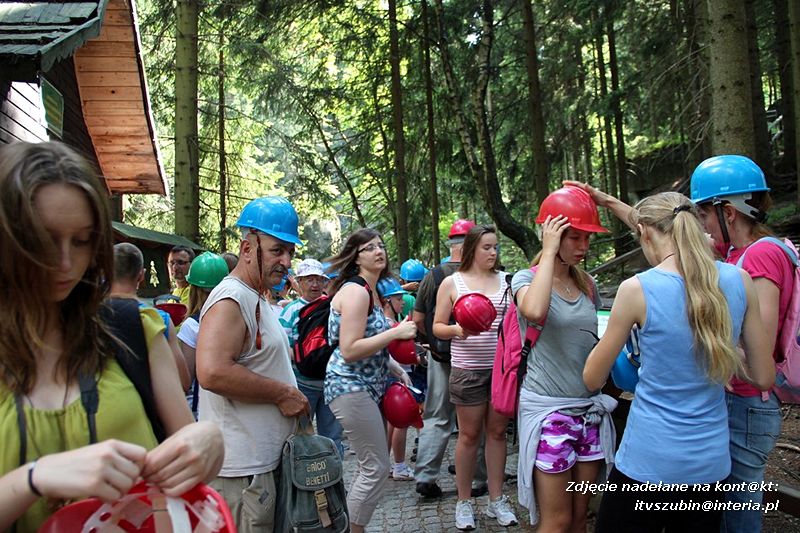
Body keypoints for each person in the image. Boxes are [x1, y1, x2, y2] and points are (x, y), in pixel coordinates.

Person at [0, 141, 223, 531]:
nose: (66, 262)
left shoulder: (130, 326)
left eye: (83, 240)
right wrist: (32, 478)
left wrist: (209, 441)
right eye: (44, 239)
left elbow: (189, 446)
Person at [583, 192, 774, 532]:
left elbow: (592, 378)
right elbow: (762, 377)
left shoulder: (637, 289)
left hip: (648, 462)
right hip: (709, 466)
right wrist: (723, 351)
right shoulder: (738, 279)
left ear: (644, 232)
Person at [688, 155, 793, 533]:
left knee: (738, 508)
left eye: (703, 213)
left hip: (749, 402)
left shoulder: (761, 255)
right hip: (741, 400)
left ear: (727, 212)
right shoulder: (737, 254)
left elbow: (757, 344)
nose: (701, 223)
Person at [195, 196, 310, 532]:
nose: (286, 261)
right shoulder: (230, 297)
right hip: (242, 475)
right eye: (277, 250)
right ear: (247, 248)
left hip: (261, 468)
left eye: (290, 251)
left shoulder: (256, 295)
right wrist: (282, 394)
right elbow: (212, 371)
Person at [513, 186, 617, 532]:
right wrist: (547, 252)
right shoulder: (526, 279)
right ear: (553, 234)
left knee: (578, 518)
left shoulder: (586, 283)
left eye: (588, 238)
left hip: (588, 412)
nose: (584, 247)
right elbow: (534, 309)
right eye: (575, 238)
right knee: (555, 521)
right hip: (549, 414)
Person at [324, 229, 417, 533]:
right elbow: (349, 349)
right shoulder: (356, 291)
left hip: (366, 387)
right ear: (356, 256)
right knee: (375, 466)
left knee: (374, 466)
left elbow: (369, 342)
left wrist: (393, 367)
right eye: (369, 248)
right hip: (349, 386)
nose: (378, 251)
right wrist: (395, 333)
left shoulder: (372, 292)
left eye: (380, 245)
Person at [433, 224, 517, 530]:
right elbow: (438, 326)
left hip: (501, 372)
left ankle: (497, 499)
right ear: (471, 249)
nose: (493, 253)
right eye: (486, 247)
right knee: (469, 436)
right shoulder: (453, 282)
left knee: (496, 434)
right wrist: (458, 329)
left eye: (496, 247)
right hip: (467, 370)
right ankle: (464, 502)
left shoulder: (507, 282)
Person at [412, 219, 488, 499]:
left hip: (440, 358)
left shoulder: (435, 275)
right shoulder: (485, 275)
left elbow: (419, 319)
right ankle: (479, 478)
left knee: (436, 416)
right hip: (478, 358)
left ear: (451, 244)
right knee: (476, 419)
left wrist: (438, 339)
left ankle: (426, 476)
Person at [278, 258, 343, 456]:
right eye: (309, 280)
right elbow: (282, 347)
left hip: (331, 383)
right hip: (302, 384)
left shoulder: (334, 308)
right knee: (301, 437)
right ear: (299, 282)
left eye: (318, 280)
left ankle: (335, 482)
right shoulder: (290, 312)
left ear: (325, 282)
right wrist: (303, 360)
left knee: (333, 437)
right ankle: (305, 482)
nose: (314, 284)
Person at [111, 242, 191, 391]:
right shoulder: (159, 319)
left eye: (181, 263)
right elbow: (184, 382)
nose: (175, 267)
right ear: (142, 275)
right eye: (172, 263)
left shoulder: (88, 318)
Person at [176, 252, 229, 418]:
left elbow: (186, 379)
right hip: (237, 405)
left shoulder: (192, 326)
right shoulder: (238, 319)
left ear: (193, 289)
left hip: (205, 409)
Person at [377, 277, 417, 481]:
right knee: (400, 422)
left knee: (392, 423)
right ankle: (398, 465)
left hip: (396, 375)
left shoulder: (390, 323)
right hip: (395, 377)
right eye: (398, 298)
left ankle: (387, 465)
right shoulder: (387, 325)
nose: (402, 302)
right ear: (387, 301)